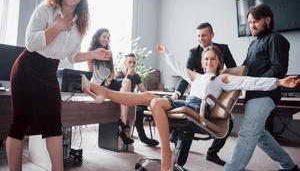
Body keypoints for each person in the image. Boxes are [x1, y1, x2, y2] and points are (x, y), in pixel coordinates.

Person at [81, 45, 299, 171]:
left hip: (198, 108)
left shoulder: (222, 78)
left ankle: (167, 157)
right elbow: (179, 67)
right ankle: (101, 90)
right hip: (185, 103)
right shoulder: (197, 76)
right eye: (206, 59)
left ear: (218, 61)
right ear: (202, 62)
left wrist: (278, 82)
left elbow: (248, 81)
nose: (209, 61)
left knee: (154, 102)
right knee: (148, 96)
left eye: (213, 59)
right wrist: (166, 53)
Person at [5, 0, 111, 171]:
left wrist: (93, 54)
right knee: (20, 123)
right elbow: (30, 43)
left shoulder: (80, 23)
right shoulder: (45, 10)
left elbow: (71, 56)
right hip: (28, 68)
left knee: (54, 124)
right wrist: (56, 27)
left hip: (49, 73)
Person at [224, 4, 300, 171]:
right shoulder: (253, 44)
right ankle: (289, 166)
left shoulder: (276, 39)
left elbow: (278, 69)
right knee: (260, 135)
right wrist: (227, 75)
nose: (252, 25)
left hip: (266, 94)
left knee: (247, 133)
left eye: (255, 21)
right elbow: (245, 68)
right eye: (250, 22)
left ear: (267, 19)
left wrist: (253, 80)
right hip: (252, 94)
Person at [172, 22, 236, 166]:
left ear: (212, 35)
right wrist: (177, 93)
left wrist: (224, 81)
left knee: (228, 123)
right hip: (197, 94)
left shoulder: (223, 49)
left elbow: (233, 69)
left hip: (215, 91)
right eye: (198, 36)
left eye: (204, 36)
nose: (201, 39)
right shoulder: (193, 52)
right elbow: (185, 75)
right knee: (187, 123)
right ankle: (178, 154)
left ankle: (212, 153)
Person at [87, 28, 134, 145]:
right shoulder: (91, 52)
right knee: (125, 91)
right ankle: (123, 129)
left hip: (109, 83)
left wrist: (110, 78)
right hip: (98, 84)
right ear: (98, 37)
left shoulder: (109, 52)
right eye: (104, 36)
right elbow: (90, 73)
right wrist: (99, 84)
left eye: (108, 37)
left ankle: (123, 123)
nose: (106, 39)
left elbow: (112, 71)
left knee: (127, 82)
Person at [115, 53, 159, 147]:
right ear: (125, 63)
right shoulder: (119, 74)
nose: (132, 64)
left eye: (134, 62)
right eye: (130, 62)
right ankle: (143, 137)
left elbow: (143, 91)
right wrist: (128, 75)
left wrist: (155, 98)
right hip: (122, 101)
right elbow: (119, 90)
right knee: (138, 110)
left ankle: (168, 129)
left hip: (132, 100)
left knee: (152, 104)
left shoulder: (136, 76)